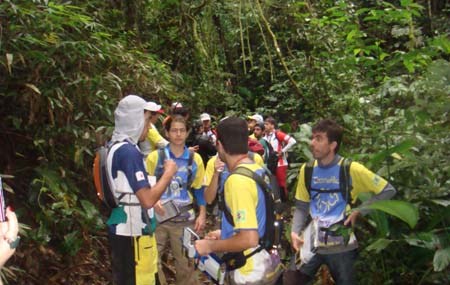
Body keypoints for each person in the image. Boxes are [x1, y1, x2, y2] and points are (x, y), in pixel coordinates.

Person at [289, 119, 396, 285]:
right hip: (310, 243)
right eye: (313, 138)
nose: (312, 143)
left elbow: (387, 190)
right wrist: (295, 232)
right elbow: (302, 206)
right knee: (290, 280)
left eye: (318, 138)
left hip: (342, 248)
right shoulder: (307, 170)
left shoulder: (351, 169)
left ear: (332, 145)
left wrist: (360, 211)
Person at [195, 117, 281, 285]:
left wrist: (210, 246)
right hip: (264, 262)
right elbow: (257, 217)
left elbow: (249, 239)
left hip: (248, 272)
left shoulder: (237, 181)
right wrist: (224, 233)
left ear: (220, 144)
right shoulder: (258, 170)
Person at [106, 94, 177, 285]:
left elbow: (129, 190)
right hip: (132, 233)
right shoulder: (129, 152)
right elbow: (146, 200)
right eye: (146, 120)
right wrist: (168, 174)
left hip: (121, 228)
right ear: (135, 120)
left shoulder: (114, 146)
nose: (149, 126)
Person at [146, 115, 206, 285]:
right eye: (174, 130)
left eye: (182, 130)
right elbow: (146, 185)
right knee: (151, 261)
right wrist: (154, 200)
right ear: (167, 133)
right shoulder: (155, 158)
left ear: (187, 133)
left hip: (184, 220)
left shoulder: (195, 160)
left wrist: (202, 214)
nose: (178, 134)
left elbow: (199, 189)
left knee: (185, 264)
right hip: (158, 219)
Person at [263, 117, 296, 201]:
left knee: (282, 184)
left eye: (267, 124)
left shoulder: (278, 134)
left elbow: (292, 141)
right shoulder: (265, 136)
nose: (265, 126)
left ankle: (285, 203)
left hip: (280, 163)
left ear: (272, 125)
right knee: (273, 184)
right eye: (265, 124)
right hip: (270, 164)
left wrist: (282, 151)